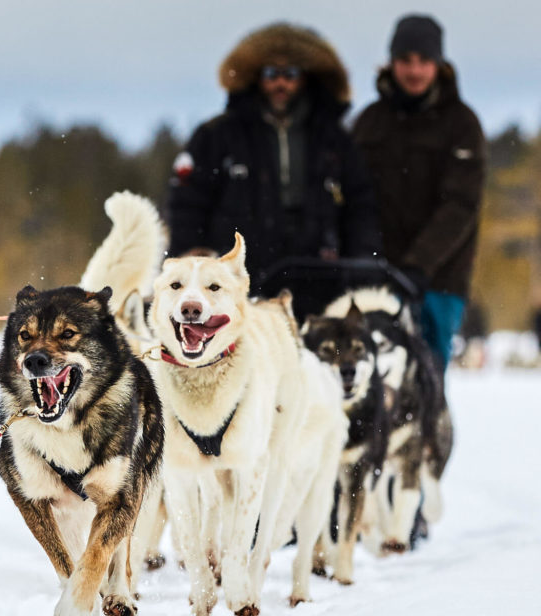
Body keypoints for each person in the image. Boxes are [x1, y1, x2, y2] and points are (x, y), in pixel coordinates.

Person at [167, 22, 380, 316]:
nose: (281, 83)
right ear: (257, 77)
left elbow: (361, 203)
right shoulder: (218, 135)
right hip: (239, 274)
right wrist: (190, 251)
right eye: (271, 74)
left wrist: (363, 260)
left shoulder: (334, 140)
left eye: (290, 74)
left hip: (318, 273)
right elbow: (187, 201)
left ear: (304, 79)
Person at [353, 14, 485, 369]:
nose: (414, 70)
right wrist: (368, 258)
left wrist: (418, 265)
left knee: (426, 377)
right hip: (375, 277)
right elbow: (353, 197)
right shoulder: (369, 122)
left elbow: (461, 205)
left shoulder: (462, 124)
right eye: (405, 60)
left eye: (424, 61)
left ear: (438, 65)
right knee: (371, 378)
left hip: (439, 281)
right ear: (391, 62)